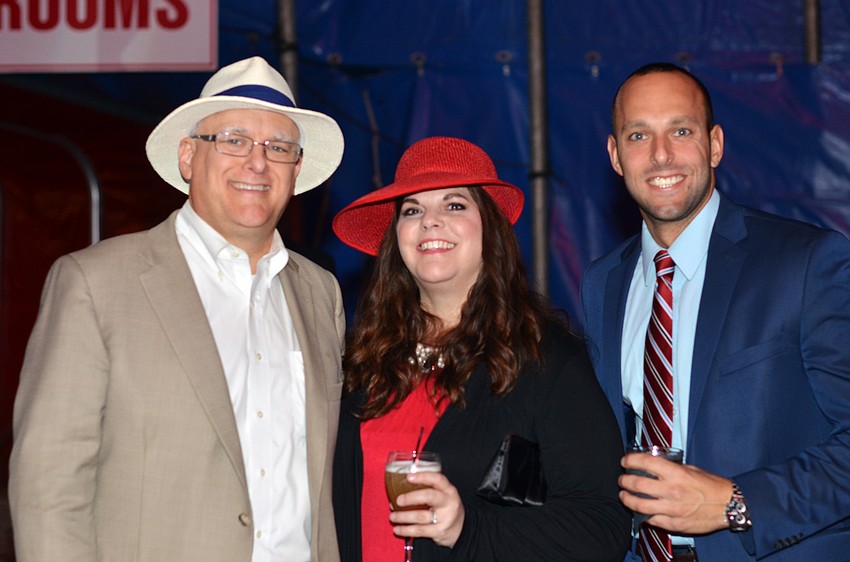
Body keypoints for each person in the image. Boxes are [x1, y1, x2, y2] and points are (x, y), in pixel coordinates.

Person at [9, 56, 346, 562]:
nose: (257, 162)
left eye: (278, 147)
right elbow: (48, 485)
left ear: (295, 170)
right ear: (189, 157)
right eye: (233, 140)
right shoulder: (96, 283)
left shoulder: (320, 294)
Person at [581, 62, 850, 562]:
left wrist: (737, 504)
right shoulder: (604, 282)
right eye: (639, 135)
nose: (661, 155)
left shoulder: (806, 262)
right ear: (616, 156)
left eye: (681, 131)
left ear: (716, 144)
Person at [331, 136, 631, 562]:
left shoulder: (547, 360)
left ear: (490, 227)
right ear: (394, 237)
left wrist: (467, 528)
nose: (430, 222)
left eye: (454, 205)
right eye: (412, 210)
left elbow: (602, 526)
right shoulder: (361, 360)